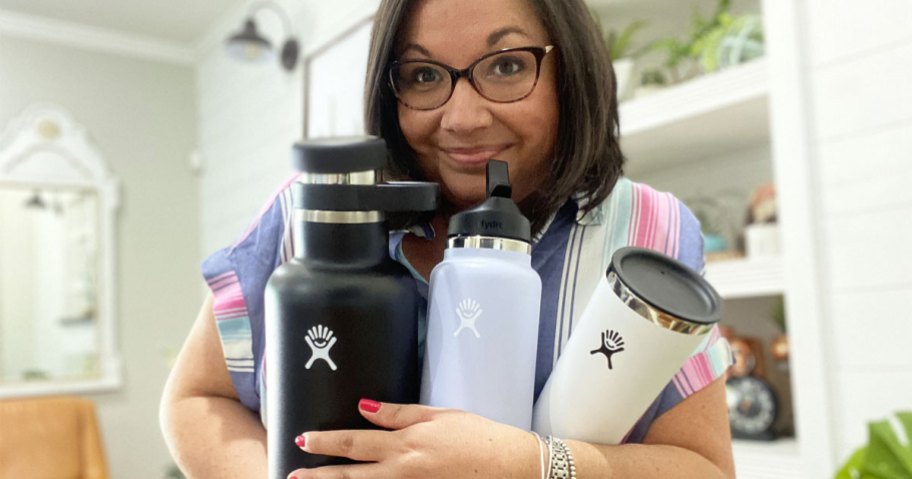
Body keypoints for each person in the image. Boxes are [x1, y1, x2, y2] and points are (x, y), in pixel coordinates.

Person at [160, 0, 736, 477]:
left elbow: (704, 468)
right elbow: (196, 400)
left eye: (507, 66)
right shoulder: (314, 211)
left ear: (572, 71)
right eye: (424, 75)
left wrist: (532, 464)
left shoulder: (645, 233)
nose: (462, 118)